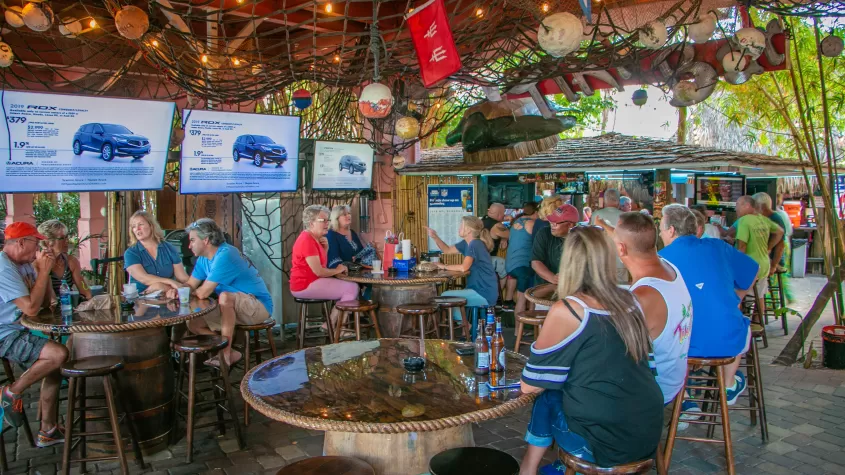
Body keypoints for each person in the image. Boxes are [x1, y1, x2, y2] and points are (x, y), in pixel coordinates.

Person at [519, 225, 663, 474]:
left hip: (602, 442)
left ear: (569, 261)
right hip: (647, 430)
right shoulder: (631, 300)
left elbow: (529, 385)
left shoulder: (569, 309)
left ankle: (528, 469)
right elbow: (647, 366)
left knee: (547, 393)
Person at [659, 204, 759, 405]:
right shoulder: (719, 247)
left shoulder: (661, 259)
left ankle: (684, 398)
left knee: (666, 336)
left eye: (661, 229)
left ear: (671, 230)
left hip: (683, 343)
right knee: (739, 324)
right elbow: (753, 271)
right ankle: (728, 384)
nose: (660, 234)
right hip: (727, 339)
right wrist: (738, 298)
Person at [167, 218, 273, 367]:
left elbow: (203, 293)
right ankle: (231, 349)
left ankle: (226, 354)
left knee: (225, 297)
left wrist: (188, 292)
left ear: (206, 240)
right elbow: (190, 284)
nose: (189, 246)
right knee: (193, 322)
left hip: (258, 306)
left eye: (192, 240)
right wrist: (178, 291)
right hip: (236, 307)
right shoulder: (204, 259)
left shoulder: (226, 254)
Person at [612, 212, 692, 406]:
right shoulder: (669, 267)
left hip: (654, 390)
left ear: (621, 248)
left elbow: (615, 348)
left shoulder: (644, 296)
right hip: (674, 379)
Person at [0, 222, 69, 447]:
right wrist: (43, 271)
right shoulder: (4, 268)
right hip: (4, 334)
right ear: (21, 242)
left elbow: (46, 302)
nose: (40, 246)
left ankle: (48, 431)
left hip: (20, 328)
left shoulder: (25, 265)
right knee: (58, 354)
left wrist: (42, 271)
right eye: (36, 242)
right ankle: (11, 393)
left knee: (55, 364)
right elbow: (31, 308)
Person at [289, 205, 359, 331]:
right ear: (311, 223)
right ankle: (336, 328)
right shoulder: (307, 240)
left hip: (310, 281)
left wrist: (325, 249)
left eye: (328, 220)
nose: (327, 223)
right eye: (323, 220)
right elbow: (319, 271)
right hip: (304, 284)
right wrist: (338, 270)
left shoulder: (315, 239)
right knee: (351, 288)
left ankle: (333, 326)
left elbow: (321, 266)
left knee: (351, 287)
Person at [425, 217, 498, 308]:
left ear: (469, 230)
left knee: (445, 296)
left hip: (483, 293)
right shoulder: (466, 243)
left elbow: (464, 267)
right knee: (448, 297)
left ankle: (460, 318)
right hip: (478, 290)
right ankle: (461, 317)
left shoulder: (475, 244)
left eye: (461, 225)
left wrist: (443, 266)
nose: (459, 228)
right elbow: (447, 250)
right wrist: (435, 237)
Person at [734, 196, 784, 312]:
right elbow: (780, 232)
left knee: (737, 297)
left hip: (749, 265)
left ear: (747, 206)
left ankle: (738, 321)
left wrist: (736, 266)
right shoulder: (762, 219)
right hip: (764, 264)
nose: (736, 208)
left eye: (738, 205)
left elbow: (742, 247)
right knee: (759, 297)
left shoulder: (744, 221)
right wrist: (768, 248)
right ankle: (758, 323)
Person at [124, 211, 190, 294]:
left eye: (140, 224)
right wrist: (170, 282)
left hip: (168, 295)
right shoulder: (131, 253)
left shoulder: (169, 248)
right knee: (158, 286)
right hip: (141, 296)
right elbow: (144, 278)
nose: (137, 228)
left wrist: (193, 286)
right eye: (134, 226)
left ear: (151, 226)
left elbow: (182, 277)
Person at [36, 219, 92, 301]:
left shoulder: (71, 261)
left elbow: (84, 289)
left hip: (68, 305)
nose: (67, 241)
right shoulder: (37, 264)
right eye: (62, 238)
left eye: (66, 237)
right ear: (48, 242)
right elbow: (47, 299)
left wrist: (91, 299)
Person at [753, 192, 793, 302]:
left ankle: (767, 306)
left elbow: (780, 244)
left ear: (761, 206)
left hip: (773, 260)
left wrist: (774, 265)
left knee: (766, 291)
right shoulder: (767, 218)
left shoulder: (775, 218)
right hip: (767, 260)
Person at [504, 202, 538, 314]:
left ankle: (524, 323)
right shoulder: (532, 223)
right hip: (523, 266)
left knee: (524, 297)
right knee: (525, 298)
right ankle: (529, 321)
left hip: (510, 265)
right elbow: (540, 244)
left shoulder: (516, 222)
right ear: (536, 212)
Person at [531, 205, 579, 285]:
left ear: (570, 225)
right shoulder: (544, 233)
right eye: (551, 221)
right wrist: (553, 278)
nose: (552, 225)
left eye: (556, 222)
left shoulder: (580, 239)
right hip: (545, 285)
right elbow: (536, 262)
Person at [591, 188, 627, 283]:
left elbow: (591, 238)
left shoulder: (596, 215)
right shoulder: (625, 216)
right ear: (618, 201)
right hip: (620, 261)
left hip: (600, 261)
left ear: (604, 201)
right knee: (621, 289)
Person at [326, 205, 375, 269]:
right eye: (344, 214)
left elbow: (361, 254)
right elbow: (333, 258)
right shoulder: (331, 234)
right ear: (336, 218)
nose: (348, 216)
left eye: (349, 213)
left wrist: (369, 248)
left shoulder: (352, 233)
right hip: (340, 272)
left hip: (357, 270)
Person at [481, 203, 510, 304]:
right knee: (506, 267)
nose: (504, 215)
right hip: (488, 260)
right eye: (503, 213)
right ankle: (496, 296)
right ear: (499, 214)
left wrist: (503, 238)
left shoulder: (481, 221)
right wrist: (505, 237)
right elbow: (512, 235)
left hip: (474, 260)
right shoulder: (497, 225)